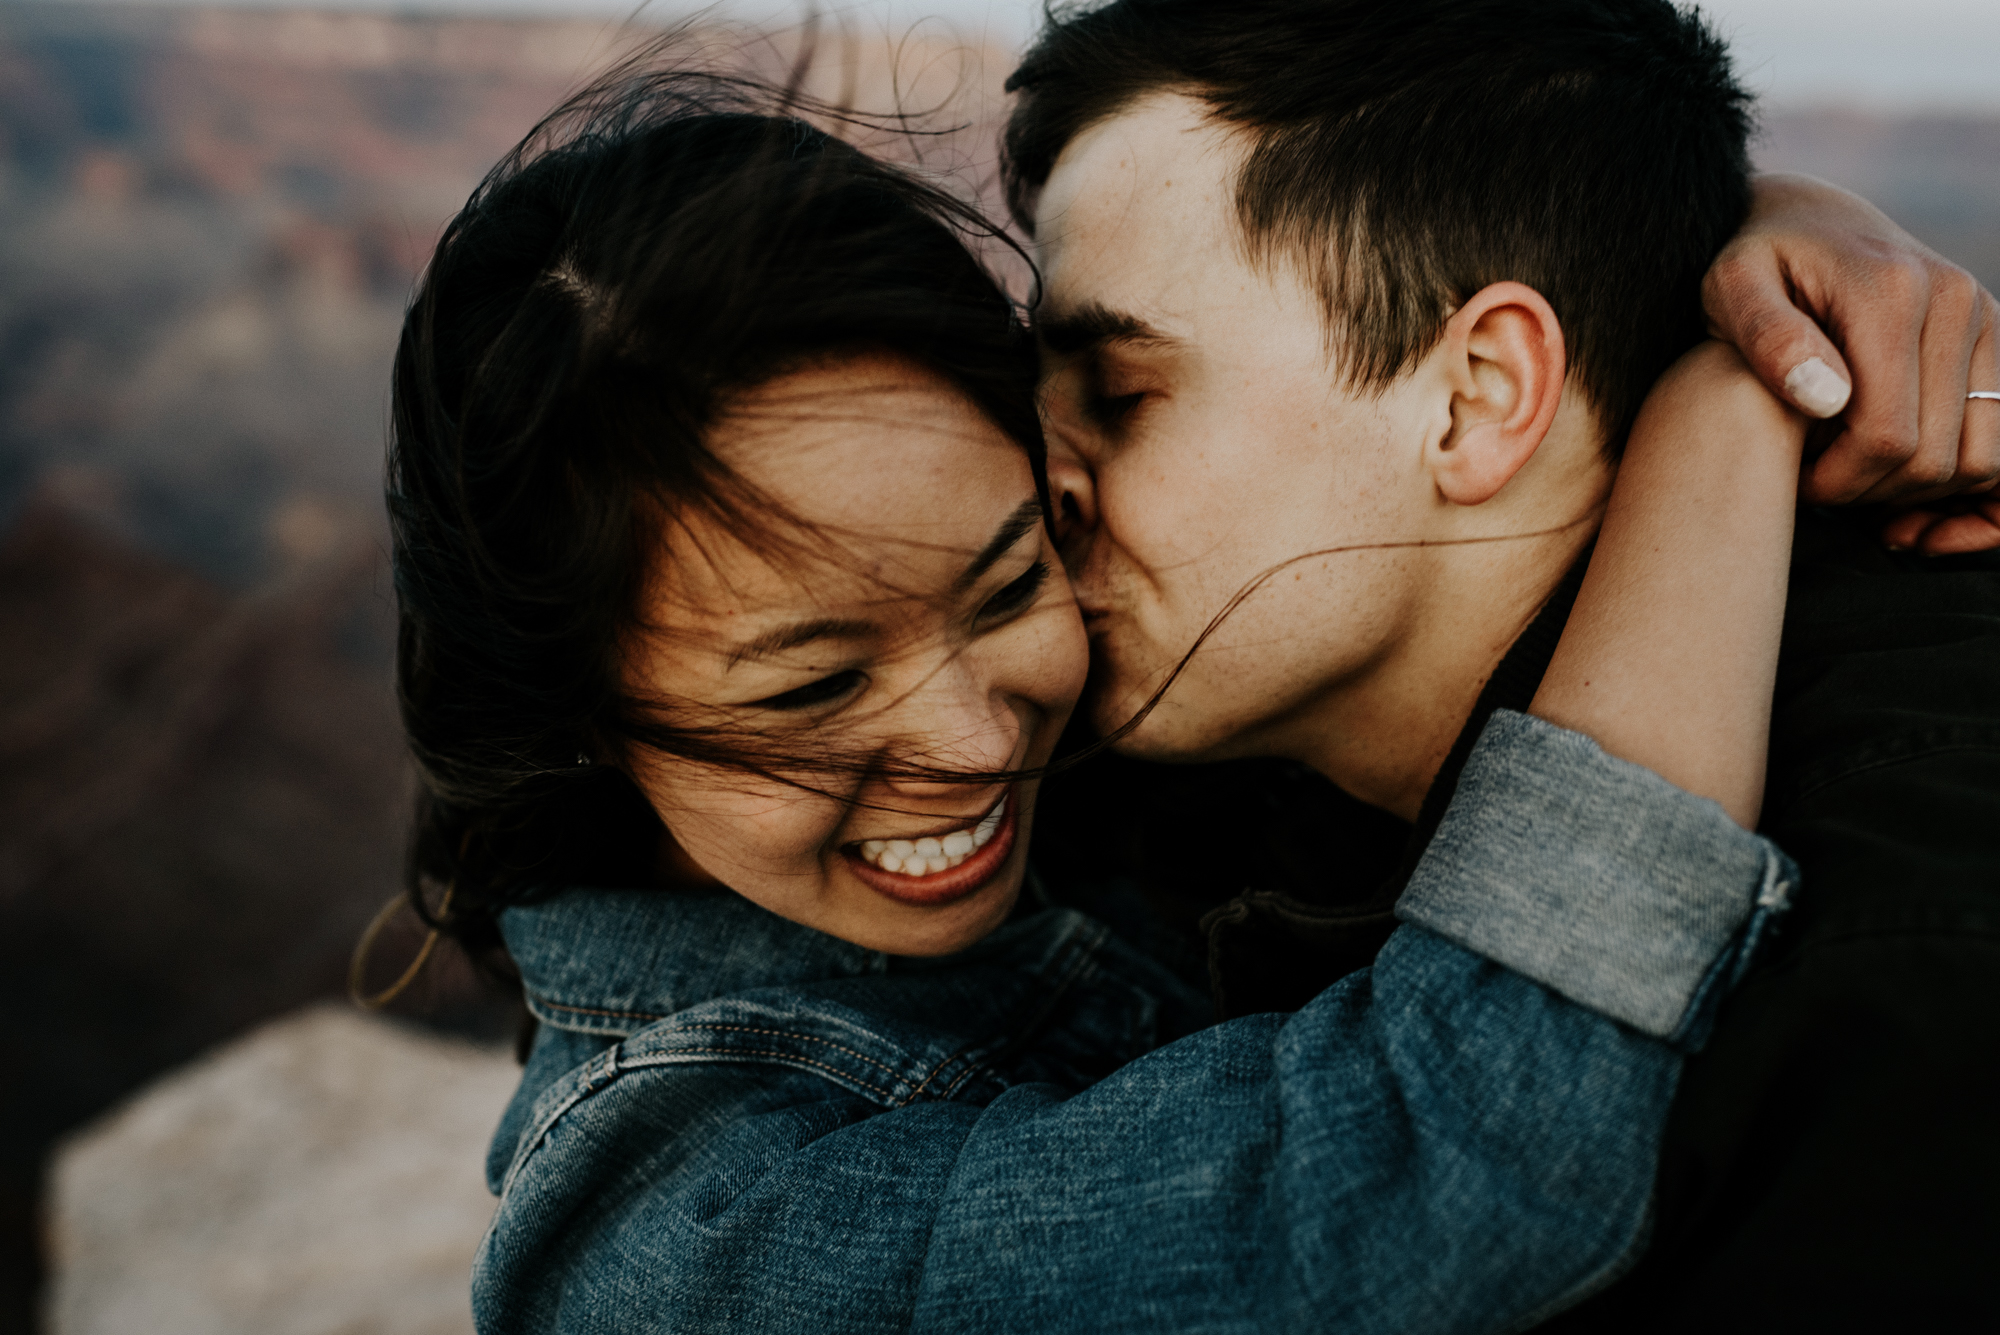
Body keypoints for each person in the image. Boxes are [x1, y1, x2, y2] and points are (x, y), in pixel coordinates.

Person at [388, 70, 1811, 1334]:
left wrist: (1760, 235)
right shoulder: (683, 1244)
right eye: (818, 684)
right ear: (576, 712)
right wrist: (1726, 403)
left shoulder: (1139, 752)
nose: (977, 743)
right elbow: (1434, 1175)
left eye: (1010, 585)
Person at [1003, 0, 2000, 1323]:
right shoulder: (1164, 743)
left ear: (1476, 396)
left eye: (1121, 392)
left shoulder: (1903, 990)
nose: (1035, 482)